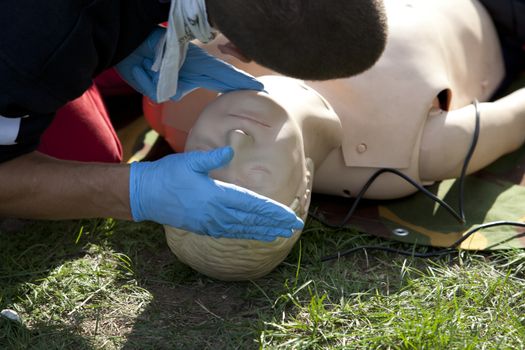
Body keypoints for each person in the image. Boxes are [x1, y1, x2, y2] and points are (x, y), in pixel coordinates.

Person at [145, 0, 525, 279]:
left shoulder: (173, 92)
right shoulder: (402, 158)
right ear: (304, 187)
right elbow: (517, 115)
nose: (238, 139)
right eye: (255, 173)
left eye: (207, 157)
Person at [0, 0, 388, 241]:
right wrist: (135, 192)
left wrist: (125, 43)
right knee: (81, 162)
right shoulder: (35, 49)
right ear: (236, 48)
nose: (237, 137)